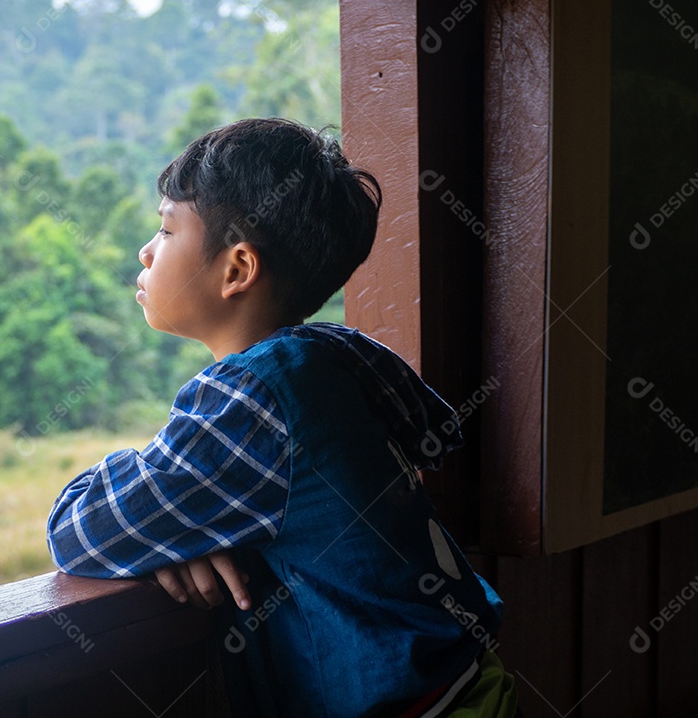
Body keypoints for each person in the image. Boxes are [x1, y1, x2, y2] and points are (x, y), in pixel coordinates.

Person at [46, 118, 517, 717]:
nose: (146, 249)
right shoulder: (334, 356)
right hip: (471, 685)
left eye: (166, 229)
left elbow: (79, 531)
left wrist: (179, 521)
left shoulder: (249, 402)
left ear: (237, 269)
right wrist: (194, 523)